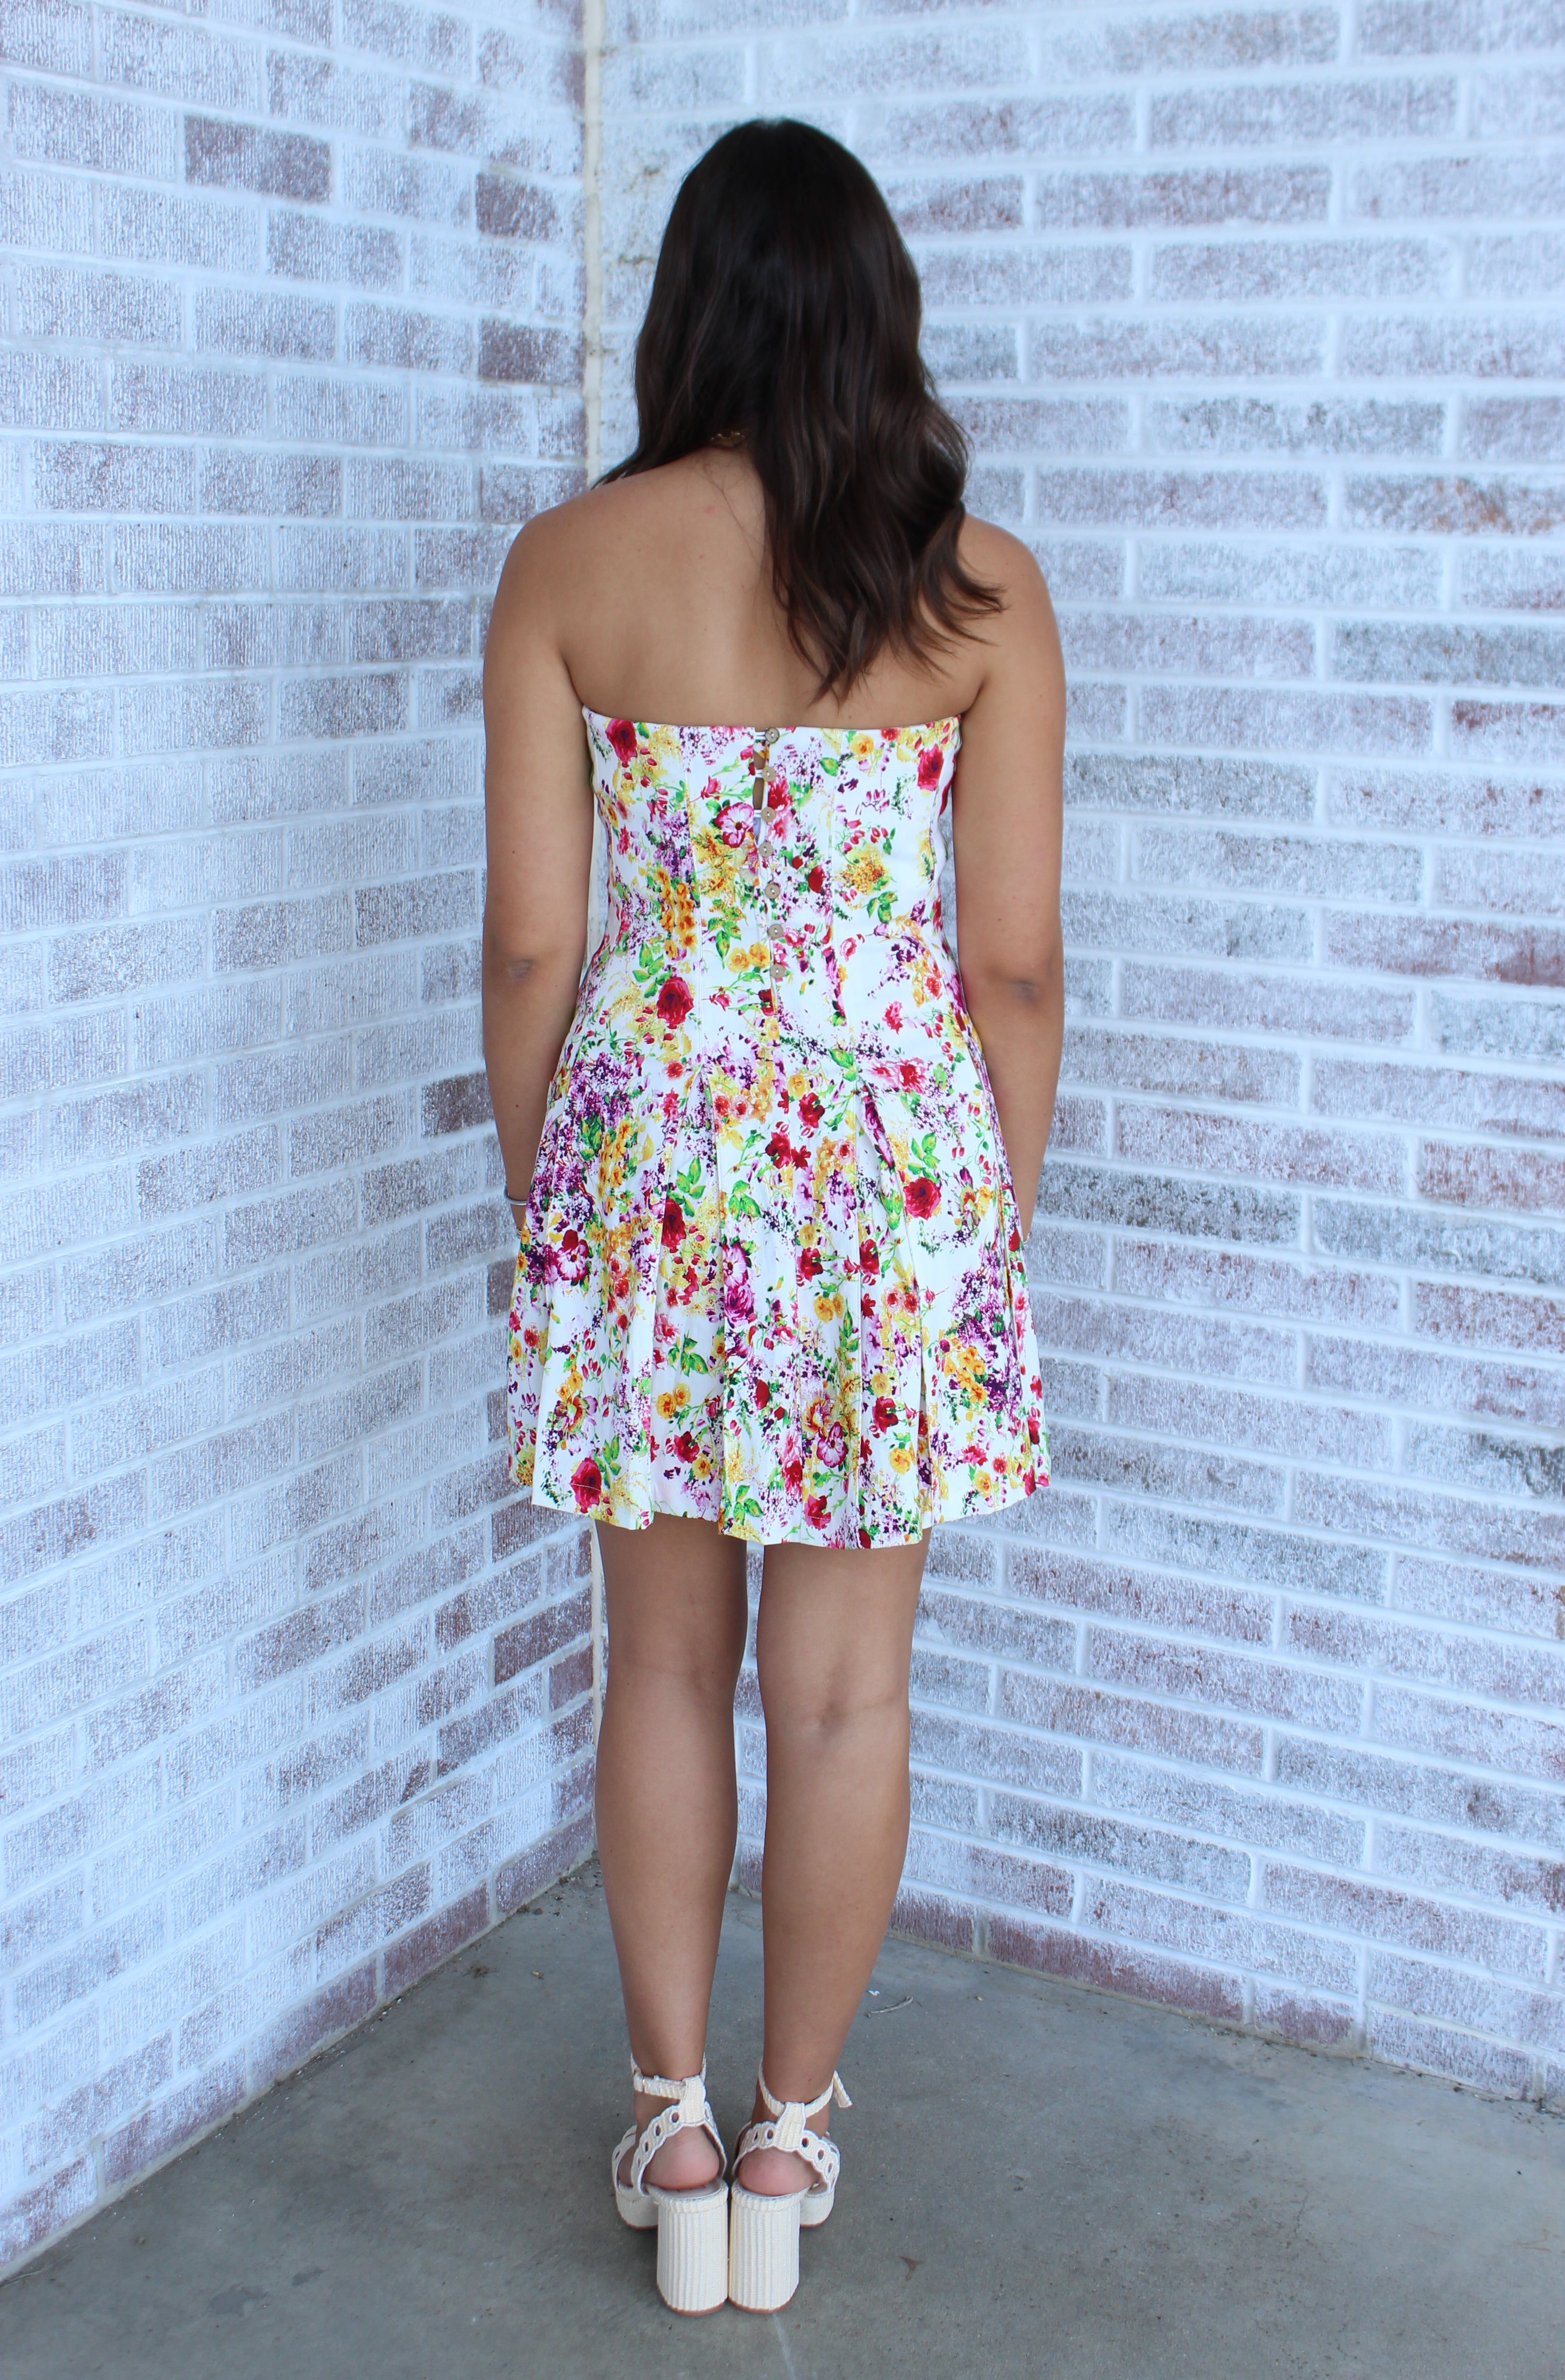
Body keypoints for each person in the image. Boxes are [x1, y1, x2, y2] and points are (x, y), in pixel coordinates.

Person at [481, 116, 1064, 2317]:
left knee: (658, 1663)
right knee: (842, 1699)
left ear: (687, 315)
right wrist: (984, 1233)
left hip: (650, 1168)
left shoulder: (570, 565)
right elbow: (1014, 969)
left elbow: (533, 950)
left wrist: (555, 1204)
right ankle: (790, 2147)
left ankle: (672, 2127)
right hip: (893, 1188)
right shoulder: (980, 592)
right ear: (879, 320)